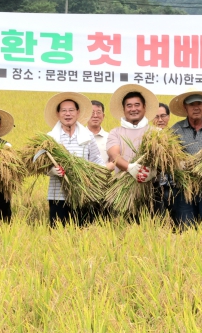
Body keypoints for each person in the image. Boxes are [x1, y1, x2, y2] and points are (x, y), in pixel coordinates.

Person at [44, 92, 104, 226]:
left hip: (83, 194)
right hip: (57, 196)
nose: (67, 114)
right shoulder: (50, 138)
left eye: (71, 110)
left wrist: (99, 176)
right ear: (58, 114)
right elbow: (40, 165)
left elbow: (96, 160)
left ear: (77, 112)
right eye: (64, 111)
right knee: (57, 235)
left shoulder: (87, 136)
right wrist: (51, 170)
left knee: (84, 234)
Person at [106, 84, 161, 217]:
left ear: (144, 107)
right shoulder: (116, 132)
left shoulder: (157, 133)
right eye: (129, 106)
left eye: (137, 105)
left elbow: (164, 159)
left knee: (152, 230)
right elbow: (114, 154)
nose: (133, 109)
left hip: (152, 190)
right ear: (124, 109)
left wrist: (151, 172)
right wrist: (130, 167)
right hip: (123, 190)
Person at [169, 88, 202, 227]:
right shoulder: (175, 130)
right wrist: (179, 163)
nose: (196, 107)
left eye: (199, 103)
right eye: (192, 104)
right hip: (184, 187)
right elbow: (169, 157)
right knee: (185, 227)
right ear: (185, 107)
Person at [87, 100, 110, 166]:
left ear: (103, 116)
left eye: (98, 112)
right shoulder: (79, 136)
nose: (95, 116)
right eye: (92, 112)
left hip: (104, 175)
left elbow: (113, 161)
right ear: (86, 115)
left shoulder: (110, 137)